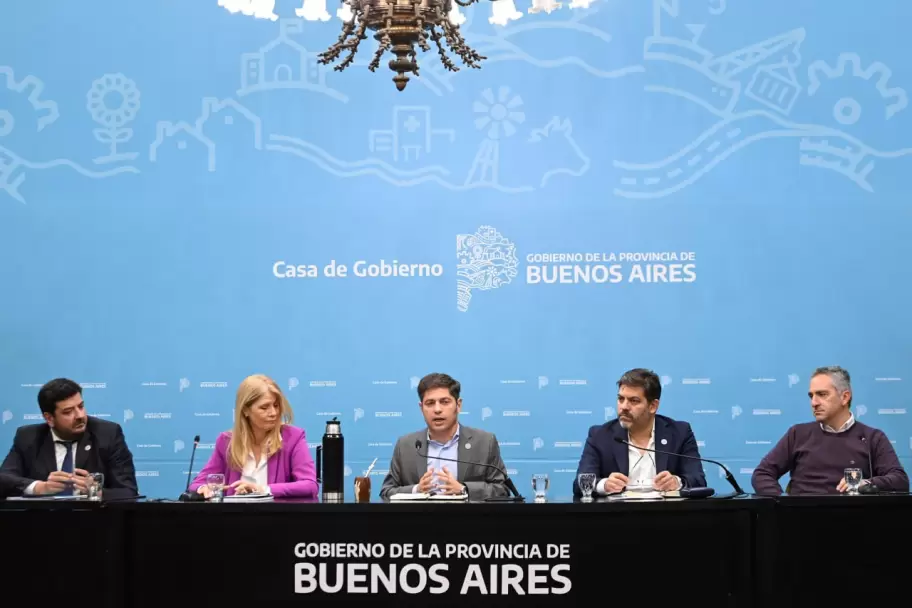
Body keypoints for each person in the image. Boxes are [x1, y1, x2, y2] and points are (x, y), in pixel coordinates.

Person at [751, 366, 908, 495]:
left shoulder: (872, 438)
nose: (814, 402)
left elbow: (900, 480)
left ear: (845, 397)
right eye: (811, 395)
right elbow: (762, 474)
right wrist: (782, 503)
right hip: (800, 522)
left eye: (822, 394)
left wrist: (867, 483)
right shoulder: (798, 434)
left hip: (855, 523)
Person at [573, 368, 707, 497]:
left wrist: (676, 482)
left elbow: (698, 480)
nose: (624, 407)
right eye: (621, 399)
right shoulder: (600, 435)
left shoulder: (680, 433)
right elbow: (579, 484)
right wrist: (604, 485)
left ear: (653, 406)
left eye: (634, 401)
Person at [0, 378, 138, 498]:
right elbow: (4, 480)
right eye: (68, 412)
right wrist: (40, 488)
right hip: (42, 523)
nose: (79, 415)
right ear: (49, 418)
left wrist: (95, 491)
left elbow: (128, 491)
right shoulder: (28, 437)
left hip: (94, 523)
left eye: (81, 406)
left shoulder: (107, 434)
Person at [380, 372, 509, 500]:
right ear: (421, 408)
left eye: (444, 402)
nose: (437, 409)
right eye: (430, 403)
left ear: (458, 405)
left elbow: (502, 490)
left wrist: (464, 489)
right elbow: (387, 491)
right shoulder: (405, 445)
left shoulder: (484, 442)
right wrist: (416, 490)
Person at [189, 374, 317, 498]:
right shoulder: (226, 441)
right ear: (245, 410)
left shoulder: (293, 437)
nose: (273, 413)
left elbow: (310, 485)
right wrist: (203, 489)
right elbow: (197, 484)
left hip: (278, 518)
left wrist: (263, 489)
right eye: (264, 407)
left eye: (276, 405)